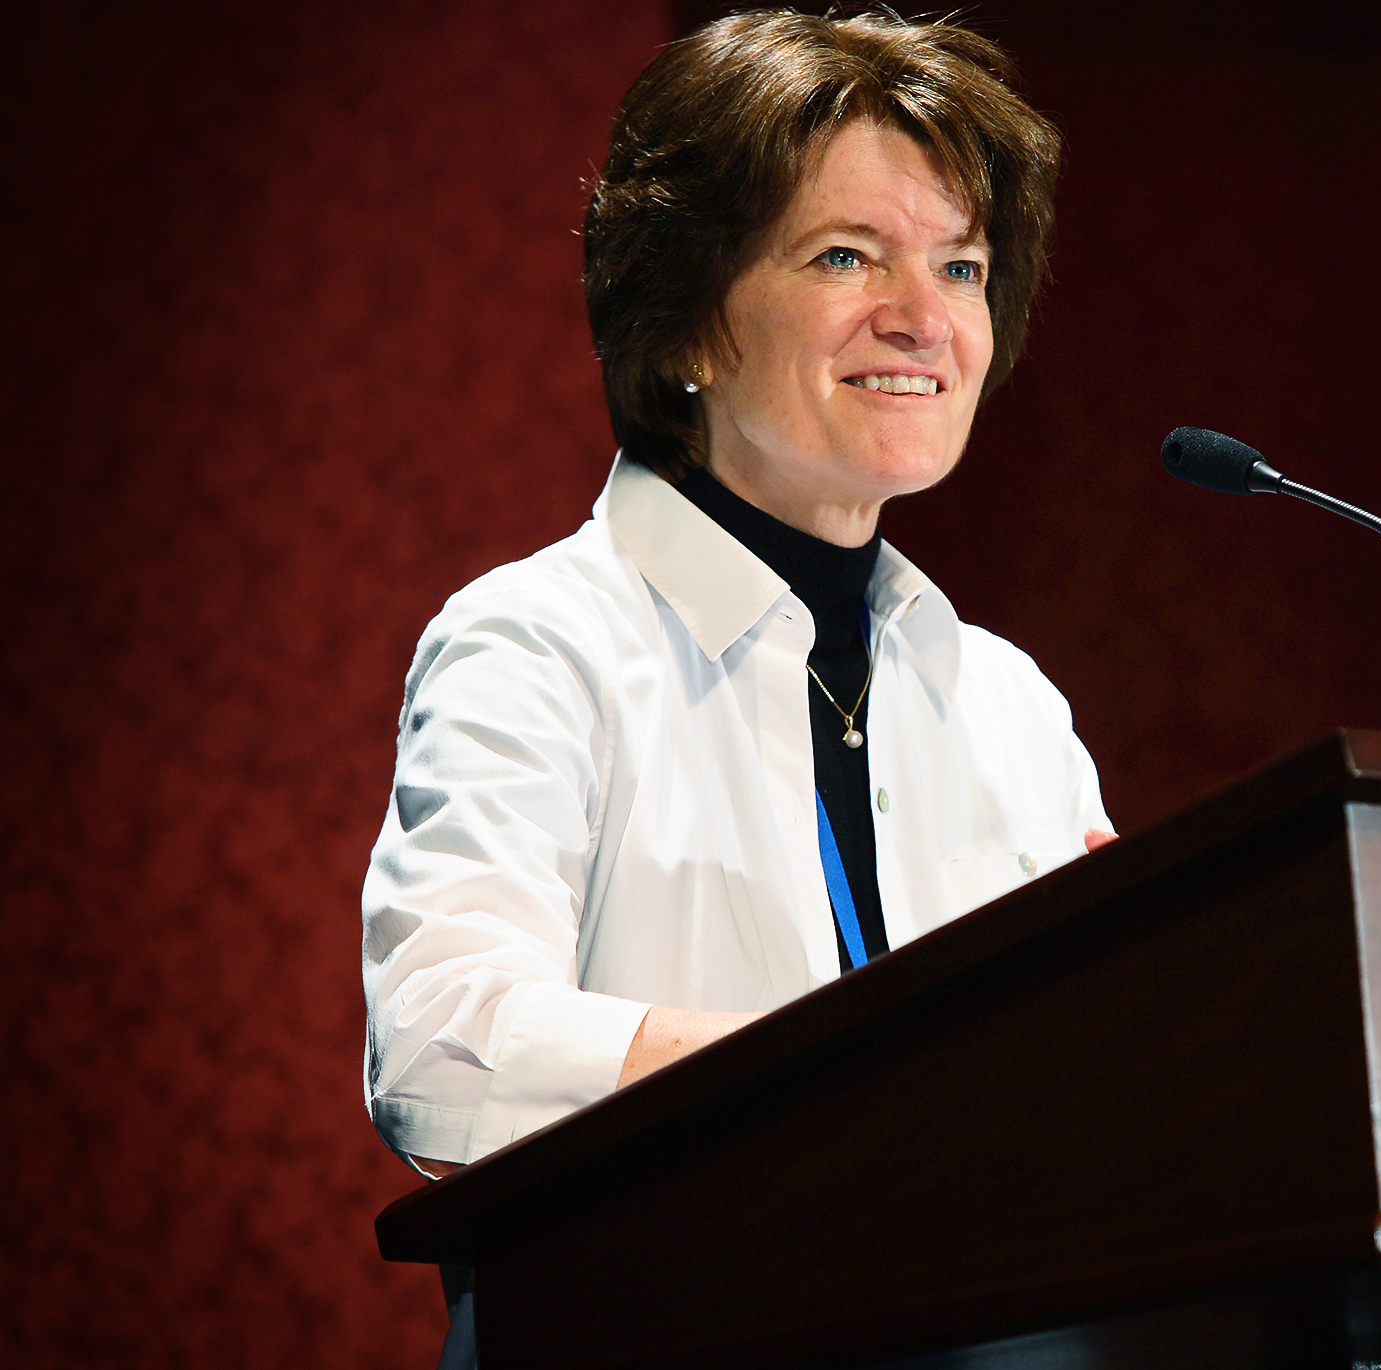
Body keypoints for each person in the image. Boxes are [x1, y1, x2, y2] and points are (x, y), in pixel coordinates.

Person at [360, 11, 1111, 1360]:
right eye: (846, 255)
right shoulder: (539, 642)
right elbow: (444, 1045)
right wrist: (853, 1079)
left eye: (962, 265)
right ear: (686, 319)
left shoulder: (1009, 703)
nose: (924, 317)